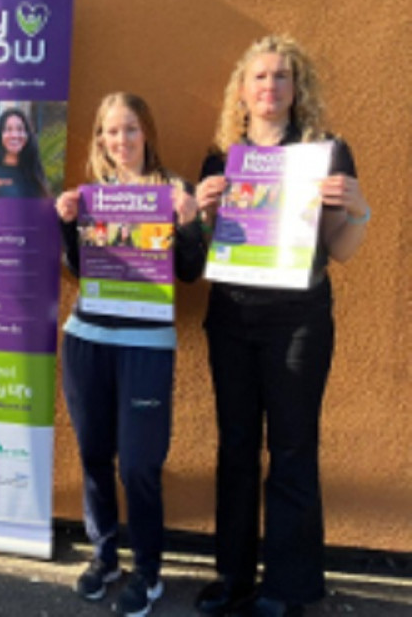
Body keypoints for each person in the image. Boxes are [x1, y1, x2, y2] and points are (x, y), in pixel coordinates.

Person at [193, 35, 369, 617]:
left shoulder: (325, 153)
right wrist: (203, 211)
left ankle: (289, 587)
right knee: (236, 448)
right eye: (260, 77)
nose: (270, 87)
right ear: (241, 92)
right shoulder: (220, 159)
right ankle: (234, 577)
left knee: (292, 449)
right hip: (233, 319)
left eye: (282, 77)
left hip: (298, 320)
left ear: (298, 90)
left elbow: (341, 251)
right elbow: (204, 257)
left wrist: (357, 208)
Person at [55, 92, 205, 617]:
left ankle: (148, 572)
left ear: (148, 134)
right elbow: (80, 271)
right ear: (101, 139)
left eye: (131, 130)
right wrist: (66, 224)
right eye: (112, 132)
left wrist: (189, 225)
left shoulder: (174, 190)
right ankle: (105, 558)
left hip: (145, 348)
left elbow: (189, 272)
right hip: (87, 341)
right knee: (94, 456)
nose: (122, 141)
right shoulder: (92, 195)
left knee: (139, 465)